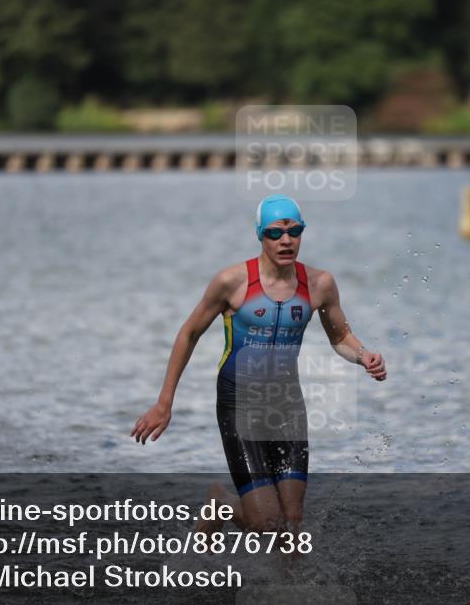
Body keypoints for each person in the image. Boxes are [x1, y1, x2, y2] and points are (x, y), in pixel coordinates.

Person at [131, 194, 386, 536]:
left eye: (294, 232)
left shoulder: (319, 284)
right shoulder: (232, 283)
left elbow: (341, 337)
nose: (286, 240)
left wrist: (363, 355)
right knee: (268, 524)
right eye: (275, 233)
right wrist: (165, 403)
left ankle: (292, 591)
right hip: (240, 404)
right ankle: (222, 501)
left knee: (292, 524)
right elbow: (189, 333)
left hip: (287, 405)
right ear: (259, 235)